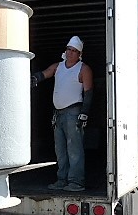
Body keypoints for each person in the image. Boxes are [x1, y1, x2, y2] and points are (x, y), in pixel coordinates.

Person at [31, 36, 94, 191]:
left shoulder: (83, 69)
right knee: (60, 150)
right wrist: (34, 78)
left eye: (74, 51)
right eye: (69, 49)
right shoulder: (58, 66)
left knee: (74, 149)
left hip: (73, 113)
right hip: (58, 114)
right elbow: (45, 73)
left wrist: (84, 113)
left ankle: (76, 182)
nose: (70, 53)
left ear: (80, 54)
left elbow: (88, 92)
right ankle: (62, 180)